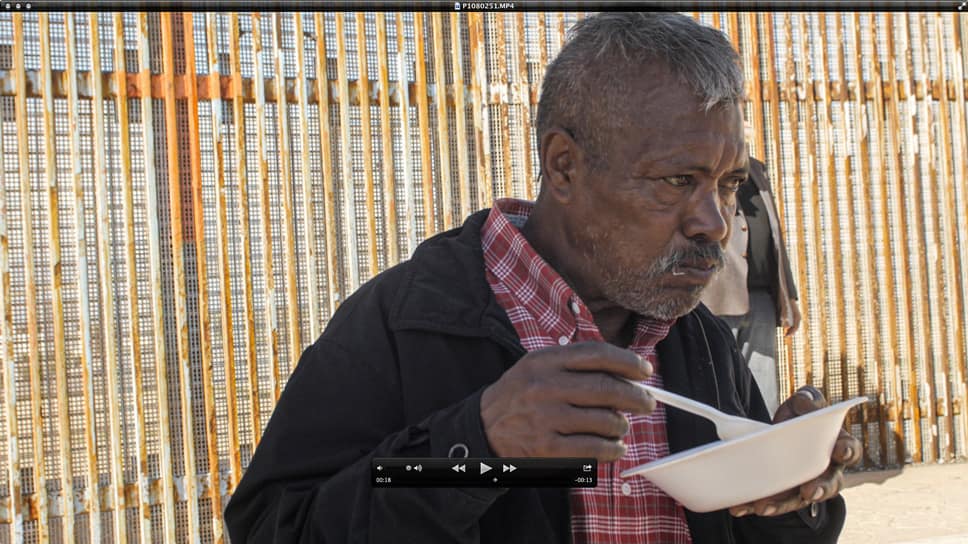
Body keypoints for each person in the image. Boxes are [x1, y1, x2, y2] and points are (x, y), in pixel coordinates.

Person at [224, 12, 860, 543]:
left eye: (727, 183)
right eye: (677, 181)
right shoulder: (410, 324)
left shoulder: (697, 340)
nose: (715, 223)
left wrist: (790, 490)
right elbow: (275, 528)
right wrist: (477, 445)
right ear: (563, 167)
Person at [701, 158, 802, 415]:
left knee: (763, 379)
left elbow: (775, 235)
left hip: (761, 296)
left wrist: (789, 297)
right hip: (720, 294)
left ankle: (763, 434)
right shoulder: (707, 160)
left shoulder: (756, 168)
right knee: (722, 381)